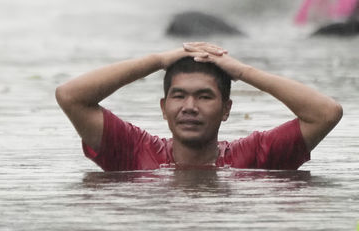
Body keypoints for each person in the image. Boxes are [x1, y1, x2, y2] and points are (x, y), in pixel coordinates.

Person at [55, 43, 343, 171]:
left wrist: (242, 72)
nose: (189, 107)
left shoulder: (256, 155)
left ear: (226, 109)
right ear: (163, 106)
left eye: (204, 97)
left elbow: (325, 112)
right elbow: (70, 96)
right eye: (179, 96)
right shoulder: (133, 150)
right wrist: (159, 60)